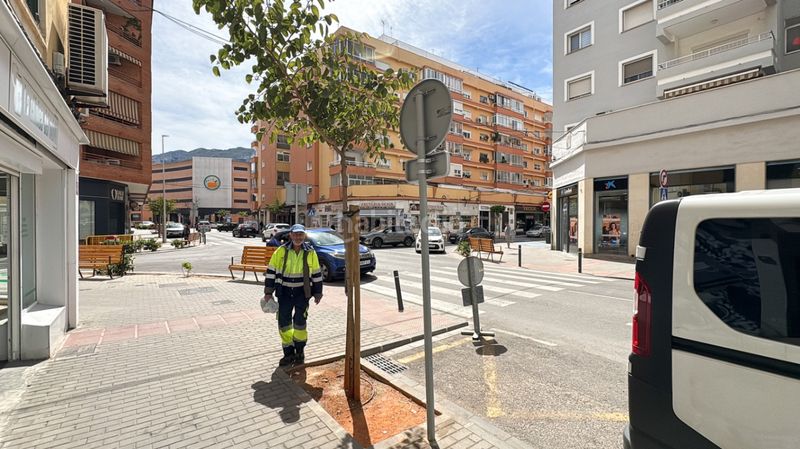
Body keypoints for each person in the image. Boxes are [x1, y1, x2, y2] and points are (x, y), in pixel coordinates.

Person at [264, 224, 323, 367]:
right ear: (290, 235)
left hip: (302, 294)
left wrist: (318, 293)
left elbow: (316, 273)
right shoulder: (281, 251)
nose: (298, 237)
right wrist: (268, 292)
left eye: (300, 234)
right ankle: (288, 353)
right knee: (284, 324)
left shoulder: (310, 252)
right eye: (295, 234)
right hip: (284, 293)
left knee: (300, 324)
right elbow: (271, 272)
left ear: (304, 236)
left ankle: (300, 352)